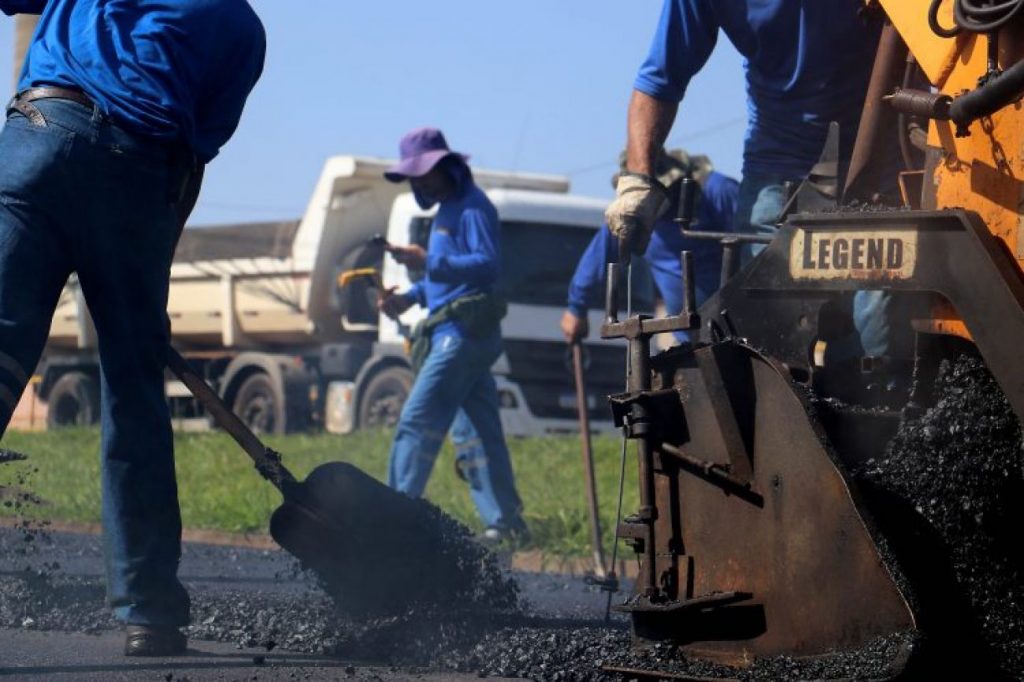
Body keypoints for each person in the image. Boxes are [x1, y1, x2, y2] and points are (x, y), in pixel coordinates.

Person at [0, 0, 265, 656]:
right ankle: (148, 613)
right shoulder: (240, 29)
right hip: (139, 175)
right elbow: (190, 164)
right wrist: (148, 293)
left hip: (38, 138)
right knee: (133, 391)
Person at [605, 0, 900, 365]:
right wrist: (637, 181)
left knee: (881, 323)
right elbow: (659, 80)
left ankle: (881, 408)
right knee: (773, 333)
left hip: (885, 161)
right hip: (778, 169)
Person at [379, 127, 527, 543]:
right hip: (456, 328)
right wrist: (409, 296)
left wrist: (427, 262)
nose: (420, 181)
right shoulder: (445, 211)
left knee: (416, 420)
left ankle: (392, 517)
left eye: (426, 171)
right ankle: (507, 522)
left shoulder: (471, 208)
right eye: (415, 175)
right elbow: (443, 282)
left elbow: (486, 266)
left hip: (463, 332)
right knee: (476, 432)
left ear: (449, 166)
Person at [561, 149, 738, 344]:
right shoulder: (632, 215)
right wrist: (576, 309)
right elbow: (599, 255)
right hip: (690, 339)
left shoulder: (716, 191)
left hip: (738, 329)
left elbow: (755, 252)